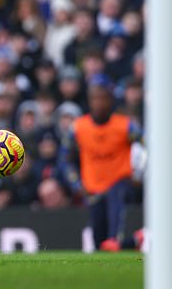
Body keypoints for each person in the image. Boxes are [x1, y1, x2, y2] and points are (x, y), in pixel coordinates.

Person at [59, 74, 145, 251]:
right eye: (94, 98)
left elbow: (149, 147)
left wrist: (140, 174)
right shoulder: (78, 128)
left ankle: (119, 240)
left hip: (121, 185)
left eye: (102, 98)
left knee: (116, 199)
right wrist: (77, 184)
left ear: (110, 100)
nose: (98, 103)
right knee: (100, 242)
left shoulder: (126, 126)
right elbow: (65, 159)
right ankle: (123, 244)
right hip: (94, 191)